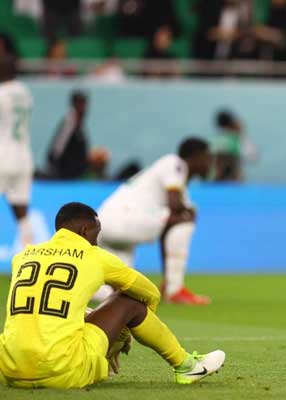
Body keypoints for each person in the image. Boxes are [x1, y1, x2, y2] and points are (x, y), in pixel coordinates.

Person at [0, 202, 225, 388]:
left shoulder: (23, 256)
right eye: (96, 235)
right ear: (84, 231)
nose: (96, 242)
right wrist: (123, 331)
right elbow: (150, 294)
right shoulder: (94, 256)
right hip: (61, 371)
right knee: (129, 300)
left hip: (8, 370)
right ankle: (186, 366)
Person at [95, 138, 212, 305]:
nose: (210, 163)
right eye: (207, 157)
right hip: (124, 220)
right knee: (186, 218)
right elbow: (175, 206)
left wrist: (167, 277)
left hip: (104, 224)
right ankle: (175, 289)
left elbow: (168, 230)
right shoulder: (175, 163)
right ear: (195, 156)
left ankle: (171, 287)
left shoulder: (176, 184)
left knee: (114, 290)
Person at [0, 54, 34, 250]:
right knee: (22, 213)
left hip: (2, 156)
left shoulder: (1, 94)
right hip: (23, 158)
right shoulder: (25, 92)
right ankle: (29, 257)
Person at [46, 90, 90, 180]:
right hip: (66, 174)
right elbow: (57, 149)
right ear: (74, 104)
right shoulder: (69, 123)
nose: (84, 107)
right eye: (81, 103)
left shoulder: (79, 122)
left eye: (85, 104)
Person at [210, 109, 257, 181]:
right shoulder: (235, 141)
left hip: (215, 180)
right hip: (232, 181)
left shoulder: (213, 141)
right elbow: (253, 157)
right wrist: (241, 134)